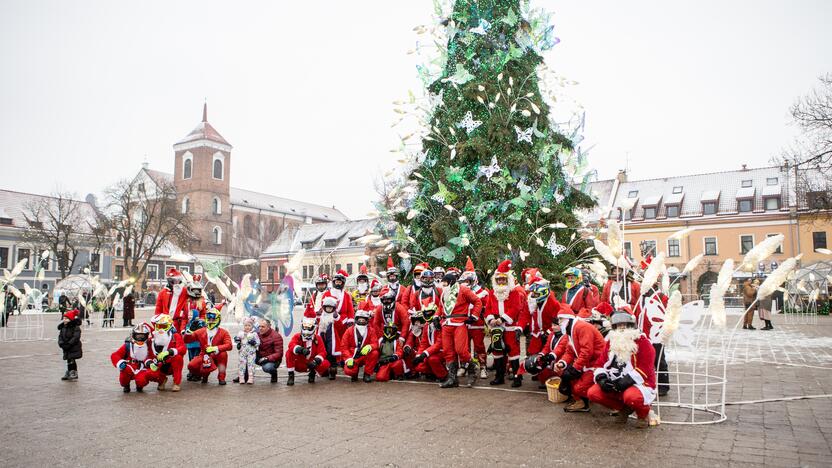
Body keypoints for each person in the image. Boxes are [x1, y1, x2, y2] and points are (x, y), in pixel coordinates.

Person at [587, 310, 658, 428]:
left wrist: (625, 381)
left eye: (624, 325)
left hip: (638, 383)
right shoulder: (610, 342)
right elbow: (600, 363)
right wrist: (602, 378)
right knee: (593, 393)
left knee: (632, 397)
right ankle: (624, 409)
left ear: (631, 326)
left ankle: (643, 414)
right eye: (618, 325)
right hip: (614, 380)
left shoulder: (643, 342)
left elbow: (645, 369)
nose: (621, 328)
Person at [546, 303, 606, 412]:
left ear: (567, 319)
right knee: (563, 371)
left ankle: (609, 400)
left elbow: (587, 351)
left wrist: (575, 367)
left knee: (578, 387)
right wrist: (562, 363)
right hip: (587, 363)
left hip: (597, 364)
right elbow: (569, 352)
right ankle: (581, 401)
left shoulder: (581, 327)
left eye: (560, 320)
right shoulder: (571, 330)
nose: (559, 323)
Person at [485, 260, 529, 387]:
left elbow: (516, 308)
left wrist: (503, 319)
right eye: (498, 280)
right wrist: (491, 319)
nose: (500, 282)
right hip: (496, 327)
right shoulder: (492, 293)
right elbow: (487, 308)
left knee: (513, 352)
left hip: (510, 326)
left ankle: (517, 377)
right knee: (497, 351)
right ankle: (499, 377)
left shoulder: (514, 292)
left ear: (508, 280)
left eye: (503, 280)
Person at [439, 269, 483, 388]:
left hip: (459, 323)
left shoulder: (463, 290)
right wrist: (436, 317)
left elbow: (477, 301)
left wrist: (473, 316)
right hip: (446, 324)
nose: (442, 285)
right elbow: (440, 307)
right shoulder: (444, 293)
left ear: (451, 282)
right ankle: (453, 379)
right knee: (448, 352)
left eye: (444, 283)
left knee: (461, 350)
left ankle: (472, 369)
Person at [635, 278, 670, 397]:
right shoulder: (641, 297)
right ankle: (647, 383)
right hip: (642, 334)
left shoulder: (661, 297)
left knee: (659, 359)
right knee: (644, 360)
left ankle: (663, 386)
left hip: (656, 333)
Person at [184, 305, 232, 385]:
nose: (210, 320)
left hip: (217, 355)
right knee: (191, 366)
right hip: (204, 355)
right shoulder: (201, 331)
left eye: (213, 318)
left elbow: (229, 345)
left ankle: (221, 377)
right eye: (209, 318)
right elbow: (188, 340)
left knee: (223, 354)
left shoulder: (224, 332)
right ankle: (203, 375)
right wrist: (188, 333)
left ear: (218, 319)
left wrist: (215, 348)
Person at [459, 257, 489, 379]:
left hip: (477, 324)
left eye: (469, 281)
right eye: (464, 281)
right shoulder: (461, 292)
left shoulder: (483, 292)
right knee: (464, 346)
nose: (467, 283)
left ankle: (482, 367)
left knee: (479, 346)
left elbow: (488, 307)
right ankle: (464, 366)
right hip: (464, 324)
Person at [286, 309, 330, 385]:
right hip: (300, 363)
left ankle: (312, 373)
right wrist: (300, 349)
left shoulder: (318, 338)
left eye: (309, 327)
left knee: (326, 363)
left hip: (311, 362)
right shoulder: (297, 336)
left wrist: (316, 361)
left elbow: (323, 352)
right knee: (289, 352)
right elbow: (291, 345)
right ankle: (291, 375)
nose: (306, 329)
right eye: (305, 326)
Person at [111, 323, 156, 393]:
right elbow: (115, 355)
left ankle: (139, 386)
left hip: (141, 368)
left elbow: (155, 336)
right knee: (124, 374)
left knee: (142, 380)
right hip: (129, 366)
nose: (140, 338)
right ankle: (126, 385)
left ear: (147, 336)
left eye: (142, 336)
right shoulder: (128, 345)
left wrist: (150, 362)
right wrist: (120, 363)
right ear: (133, 335)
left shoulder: (149, 345)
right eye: (138, 336)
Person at [148, 314, 186, 392]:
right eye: (159, 326)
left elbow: (183, 349)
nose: (161, 329)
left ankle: (176, 383)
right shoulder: (152, 338)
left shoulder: (175, 336)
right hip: (158, 363)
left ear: (169, 326)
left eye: (164, 327)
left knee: (178, 358)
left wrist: (170, 352)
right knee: (149, 372)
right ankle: (161, 380)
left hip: (172, 362)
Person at [340, 308, 379, 382]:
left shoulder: (371, 330)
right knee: (349, 371)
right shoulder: (349, 331)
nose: (361, 321)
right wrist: (348, 359)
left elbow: (375, 343)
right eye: (359, 319)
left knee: (375, 353)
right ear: (356, 319)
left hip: (365, 354)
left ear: (367, 320)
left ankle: (367, 374)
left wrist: (370, 346)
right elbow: (344, 347)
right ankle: (354, 373)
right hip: (353, 355)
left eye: (363, 320)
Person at [411, 304, 447, 382]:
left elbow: (439, 344)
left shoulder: (440, 325)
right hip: (433, 351)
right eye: (426, 313)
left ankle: (443, 375)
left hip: (443, 351)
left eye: (430, 312)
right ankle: (432, 372)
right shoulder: (427, 325)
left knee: (432, 359)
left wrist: (424, 354)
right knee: (419, 366)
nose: (427, 315)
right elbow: (424, 343)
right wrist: (418, 356)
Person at [318, 290, 347, 380]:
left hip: (332, 340)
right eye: (327, 307)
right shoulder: (321, 316)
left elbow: (341, 327)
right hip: (322, 338)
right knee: (323, 354)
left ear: (333, 308)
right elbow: (315, 326)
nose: (329, 309)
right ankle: (324, 370)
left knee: (332, 356)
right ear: (324, 307)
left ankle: (332, 372)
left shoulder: (335, 317)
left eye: (331, 308)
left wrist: (337, 318)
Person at [526, 280, 559, 355]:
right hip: (536, 334)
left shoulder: (554, 304)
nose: (533, 296)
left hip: (549, 335)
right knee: (531, 357)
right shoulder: (534, 302)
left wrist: (548, 332)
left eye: (536, 294)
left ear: (543, 293)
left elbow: (558, 322)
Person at [254, 318, 284, 383]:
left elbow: (279, 353)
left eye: (263, 327)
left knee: (267, 367)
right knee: (245, 357)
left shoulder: (276, 336)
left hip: (273, 360)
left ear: (269, 327)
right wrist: (241, 343)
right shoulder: (257, 334)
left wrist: (267, 358)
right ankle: (243, 376)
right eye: (259, 326)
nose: (260, 328)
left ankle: (274, 373)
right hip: (261, 356)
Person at [58, 309, 82, 381]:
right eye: (64, 318)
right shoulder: (63, 328)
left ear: (70, 319)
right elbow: (60, 337)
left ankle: (73, 372)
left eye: (66, 319)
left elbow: (76, 337)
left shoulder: (75, 327)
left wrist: (69, 344)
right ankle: (69, 372)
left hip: (73, 347)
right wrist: (61, 343)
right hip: (66, 347)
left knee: (72, 359)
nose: (64, 320)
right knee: (68, 360)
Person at [234, 317, 260, 385]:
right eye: (246, 325)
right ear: (243, 326)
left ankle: (250, 378)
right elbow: (237, 340)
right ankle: (241, 378)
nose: (247, 327)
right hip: (242, 352)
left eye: (249, 325)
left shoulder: (254, 334)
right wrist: (237, 340)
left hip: (251, 353)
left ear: (252, 326)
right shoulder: (241, 333)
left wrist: (254, 343)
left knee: (251, 365)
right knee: (241, 365)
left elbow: (258, 342)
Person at [184, 309, 206, 382]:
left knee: (196, 360)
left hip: (197, 345)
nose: (189, 316)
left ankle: (198, 374)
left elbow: (202, 331)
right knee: (191, 359)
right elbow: (187, 331)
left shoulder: (199, 323)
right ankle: (192, 372)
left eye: (191, 315)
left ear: (195, 315)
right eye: (189, 315)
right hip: (190, 345)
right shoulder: (189, 323)